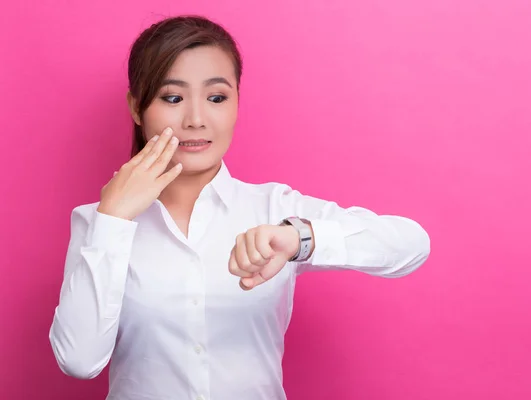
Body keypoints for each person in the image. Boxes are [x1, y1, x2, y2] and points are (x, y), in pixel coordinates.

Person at [49, 14, 431, 400]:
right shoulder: (97, 222)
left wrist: (300, 238)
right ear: (136, 108)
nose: (196, 120)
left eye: (216, 98)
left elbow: (411, 244)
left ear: (236, 103)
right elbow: (79, 361)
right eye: (172, 98)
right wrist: (113, 219)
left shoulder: (274, 208)